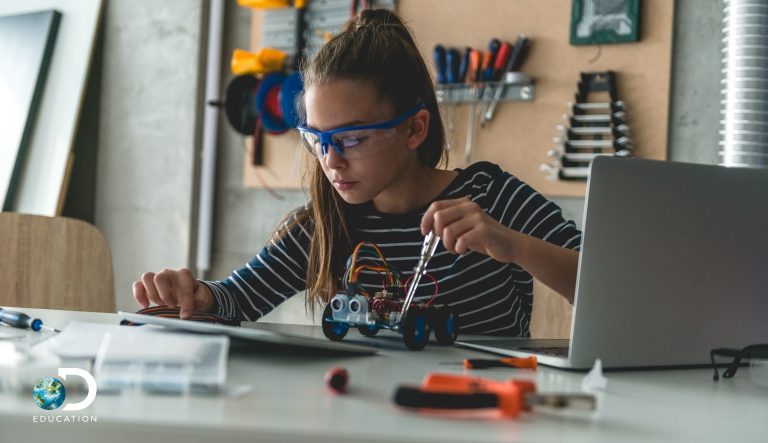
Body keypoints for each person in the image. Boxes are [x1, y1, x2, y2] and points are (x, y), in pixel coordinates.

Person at [132, 9, 581, 337]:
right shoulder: (330, 221)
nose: (331, 160)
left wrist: (514, 245)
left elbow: (606, 287)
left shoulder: (489, 196)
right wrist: (195, 296)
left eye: (352, 139)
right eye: (317, 138)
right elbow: (237, 300)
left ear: (415, 128)